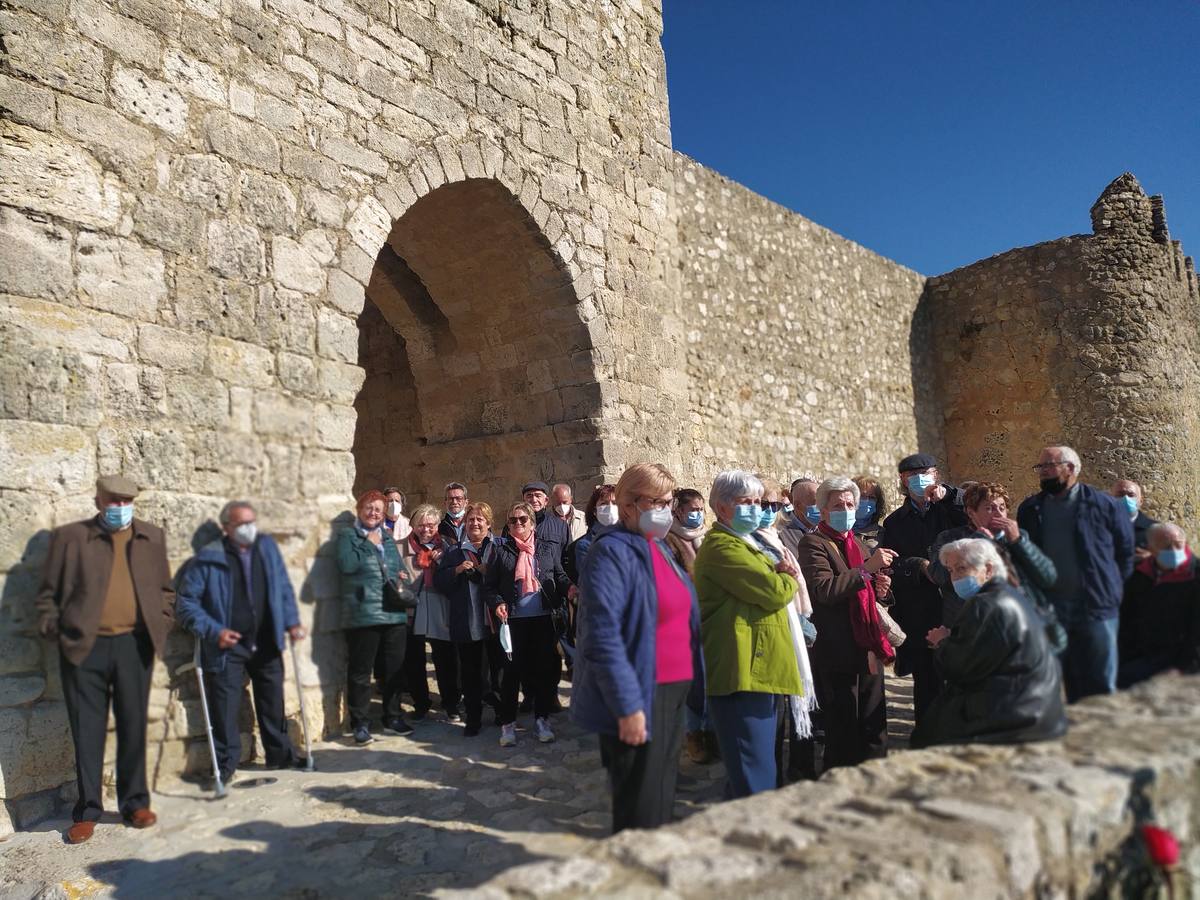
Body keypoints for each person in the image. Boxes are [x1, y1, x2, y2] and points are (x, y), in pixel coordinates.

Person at [36, 475, 174, 844]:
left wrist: (161, 622)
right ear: (98, 501)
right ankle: (88, 811)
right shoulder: (70, 538)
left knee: (133, 726)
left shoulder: (151, 538)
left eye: (125, 501)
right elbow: (48, 594)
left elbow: (165, 590)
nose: (119, 507)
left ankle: (134, 804)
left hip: (133, 645)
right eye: (112, 501)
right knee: (87, 730)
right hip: (85, 648)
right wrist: (59, 632)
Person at [572, 463, 702, 832]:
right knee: (639, 806)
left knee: (661, 793)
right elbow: (603, 637)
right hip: (641, 691)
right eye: (656, 502)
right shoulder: (611, 552)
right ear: (628, 504)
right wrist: (628, 707)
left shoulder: (659, 548)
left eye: (669, 501)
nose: (665, 510)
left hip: (673, 688)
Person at [177, 501, 309, 784]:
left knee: (273, 699)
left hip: (266, 638)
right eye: (242, 524)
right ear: (227, 528)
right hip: (227, 643)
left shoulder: (267, 548)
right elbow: (186, 604)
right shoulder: (208, 558)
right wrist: (214, 631)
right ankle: (225, 765)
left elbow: (282, 587)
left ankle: (279, 754)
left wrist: (292, 621)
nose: (250, 528)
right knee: (225, 705)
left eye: (252, 521)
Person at [693, 470, 804, 798]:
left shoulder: (747, 543)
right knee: (754, 772)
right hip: (741, 669)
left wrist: (782, 576)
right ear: (723, 508)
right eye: (747, 502)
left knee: (757, 766)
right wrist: (787, 579)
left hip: (759, 668)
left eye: (759, 502)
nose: (756, 508)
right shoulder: (723, 548)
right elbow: (772, 591)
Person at [911, 539, 1067, 748]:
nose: (956, 577)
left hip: (1014, 716)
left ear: (989, 569)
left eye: (962, 568)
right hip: (1036, 707)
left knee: (927, 736)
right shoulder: (1009, 594)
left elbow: (958, 667)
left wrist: (942, 642)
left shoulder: (983, 604)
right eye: (951, 570)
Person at [1018, 446, 1134, 702]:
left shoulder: (1105, 506)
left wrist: (1111, 589)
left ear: (1070, 468)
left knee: (1101, 683)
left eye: (1049, 466)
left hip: (1096, 608)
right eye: (1040, 467)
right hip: (1050, 610)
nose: (1043, 472)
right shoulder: (1030, 510)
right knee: (1059, 682)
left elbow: (1125, 553)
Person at [796, 476, 896, 771]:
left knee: (874, 726)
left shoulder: (857, 545)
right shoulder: (814, 543)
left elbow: (874, 596)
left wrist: (883, 589)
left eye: (850, 504)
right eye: (838, 505)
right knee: (842, 731)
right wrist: (867, 570)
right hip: (838, 650)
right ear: (823, 511)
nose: (847, 509)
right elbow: (824, 590)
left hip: (868, 645)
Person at [879, 452, 966, 725]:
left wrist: (950, 497)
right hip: (920, 610)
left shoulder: (953, 508)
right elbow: (892, 562)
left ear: (936, 475)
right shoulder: (895, 522)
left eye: (925, 473)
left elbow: (974, 515)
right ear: (903, 480)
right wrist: (917, 566)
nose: (919, 480)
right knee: (927, 683)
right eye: (911, 476)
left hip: (957, 607)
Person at [928, 482, 1060, 641]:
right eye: (989, 508)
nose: (998, 514)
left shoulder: (1018, 537)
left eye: (1002, 507)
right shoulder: (950, 539)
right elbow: (938, 576)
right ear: (971, 513)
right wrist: (977, 544)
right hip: (970, 631)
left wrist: (1020, 543)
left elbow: (1047, 576)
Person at [486, 501, 571, 746]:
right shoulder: (500, 551)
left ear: (532, 522)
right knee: (511, 673)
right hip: (513, 621)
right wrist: (497, 602)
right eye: (513, 520)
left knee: (543, 671)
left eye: (523, 519)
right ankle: (508, 722)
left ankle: (542, 718)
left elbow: (559, 575)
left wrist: (570, 589)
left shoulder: (545, 548)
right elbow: (490, 586)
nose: (518, 523)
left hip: (543, 618)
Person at [752, 476, 819, 784]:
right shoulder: (747, 543)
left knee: (798, 709)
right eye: (763, 504)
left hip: (794, 633)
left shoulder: (776, 538)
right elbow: (774, 589)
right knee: (775, 721)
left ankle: (801, 769)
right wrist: (787, 578)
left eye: (775, 505)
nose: (769, 510)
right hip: (768, 639)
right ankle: (773, 778)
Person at [337, 490, 411, 744]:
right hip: (364, 614)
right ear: (360, 509)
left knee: (393, 670)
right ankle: (360, 722)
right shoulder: (348, 536)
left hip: (393, 613)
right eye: (370, 508)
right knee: (360, 672)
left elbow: (399, 568)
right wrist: (369, 542)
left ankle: (392, 716)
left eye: (379, 509)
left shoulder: (387, 539)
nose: (375, 513)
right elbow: (346, 565)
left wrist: (401, 576)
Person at [433, 502, 502, 736]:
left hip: (495, 620)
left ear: (488, 523)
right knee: (471, 673)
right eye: (471, 519)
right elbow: (440, 582)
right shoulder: (454, 552)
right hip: (468, 622)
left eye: (480, 519)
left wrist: (487, 571)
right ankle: (473, 718)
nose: (475, 523)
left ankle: (503, 713)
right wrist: (457, 570)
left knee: (499, 669)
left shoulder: (499, 547)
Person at [663, 487, 715, 764]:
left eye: (700, 508)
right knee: (694, 681)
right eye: (691, 509)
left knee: (711, 677)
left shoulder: (706, 539)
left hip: (711, 617)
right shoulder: (670, 542)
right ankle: (693, 733)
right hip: (685, 622)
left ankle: (712, 730)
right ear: (679, 512)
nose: (697, 514)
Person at [1117, 523, 1200, 687]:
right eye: (1167, 547)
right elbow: (1128, 617)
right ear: (1151, 549)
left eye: (1179, 544)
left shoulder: (1195, 576)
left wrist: (1183, 667)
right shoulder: (1139, 575)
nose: (1175, 551)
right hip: (1141, 656)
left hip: (1180, 660)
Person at [400, 504, 449, 720]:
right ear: (413, 526)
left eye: (430, 525)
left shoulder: (448, 546)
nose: (426, 529)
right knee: (415, 657)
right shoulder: (400, 547)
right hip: (413, 605)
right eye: (421, 525)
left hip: (440, 602)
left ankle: (450, 700)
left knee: (444, 655)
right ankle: (421, 701)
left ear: (437, 526)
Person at [564, 484, 618, 585]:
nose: (610, 508)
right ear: (594, 511)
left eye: (615, 503)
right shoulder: (585, 545)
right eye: (604, 504)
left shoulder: (631, 537)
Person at [1111, 478, 1158, 558]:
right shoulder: (1096, 525)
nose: (1125, 498)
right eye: (1120, 494)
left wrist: (1153, 559)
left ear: (1141, 501)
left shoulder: (1156, 530)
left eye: (1131, 495)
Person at [779, 475, 819, 558]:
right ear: (798, 505)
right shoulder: (779, 531)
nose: (822, 507)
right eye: (816, 502)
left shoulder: (826, 529)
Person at [851, 475, 888, 550]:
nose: (866, 501)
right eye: (861, 496)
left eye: (871, 498)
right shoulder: (837, 531)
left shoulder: (883, 535)